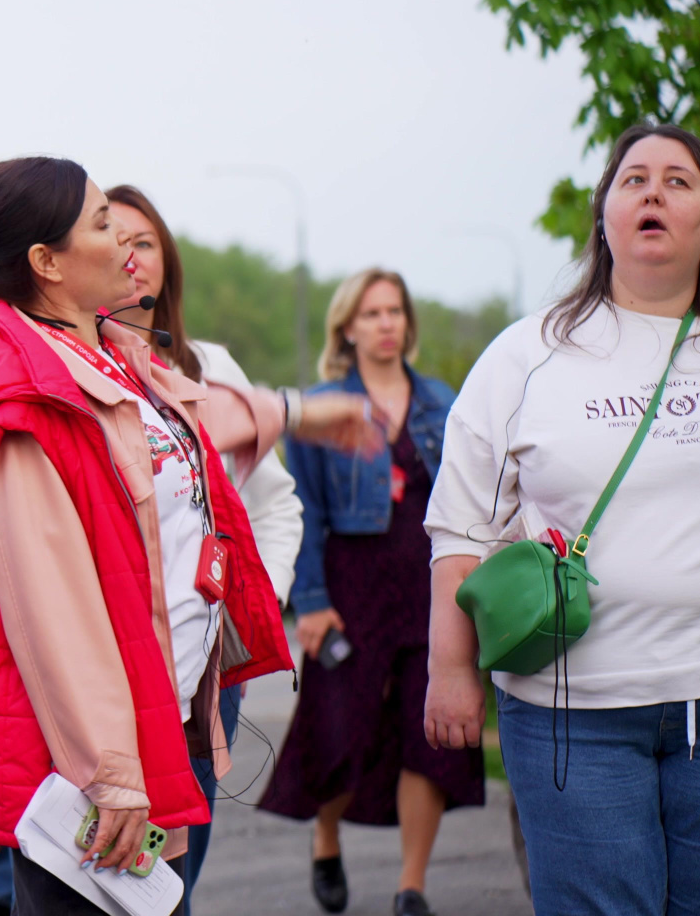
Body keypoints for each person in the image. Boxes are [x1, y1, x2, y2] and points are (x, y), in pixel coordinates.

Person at [0, 157, 296, 915]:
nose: (122, 236)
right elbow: (55, 616)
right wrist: (112, 772)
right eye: (99, 223)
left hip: (165, 721)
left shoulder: (115, 360)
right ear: (48, 264)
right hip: (97, 768)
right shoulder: (27, 406)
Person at [425, 123, 700, 914]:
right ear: (604, 216)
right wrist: (453, 672)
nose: (653, 192)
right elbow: (461, 530)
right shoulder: (525, 356)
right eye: (633, 179)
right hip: (575, 715)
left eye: (678, 180)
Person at [102, 185, 308, 914]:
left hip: (206, 670)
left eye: (145, 242)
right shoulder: (74, 366)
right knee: (97, 859)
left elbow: (277, 509)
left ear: (168, 266)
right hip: (108, 665)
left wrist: (254, 603)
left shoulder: (210, 366)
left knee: (174, 866)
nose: (128, 255)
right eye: (111, 237)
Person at [258, 268, 483, 916]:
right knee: (340, 732)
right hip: (349, 589)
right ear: (348, 327)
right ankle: (325, 837)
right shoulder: (322, 405)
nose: (386, 323)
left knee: (426, 736)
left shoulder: (442, 401)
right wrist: (312, 599)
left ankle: (411, 886)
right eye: (372, 312)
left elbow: (466, 501)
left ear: (406, 324)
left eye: (395, 311)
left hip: (428, 591)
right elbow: (302, 511)